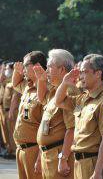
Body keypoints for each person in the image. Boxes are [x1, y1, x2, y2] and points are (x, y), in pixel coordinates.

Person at [54, 54, 103, 179]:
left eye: (85, 72)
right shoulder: (82, 99)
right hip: (79, 162)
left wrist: (97, 172)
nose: (81, 76)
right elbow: (59, 101)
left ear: (98, 74)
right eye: (80, 72)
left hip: (93, 163)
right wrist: (65, 83)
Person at [33, 49, 75, 178]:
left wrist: (63, 159)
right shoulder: (55, 92)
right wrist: (40, 157)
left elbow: (71, 129)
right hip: (48, 155)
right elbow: (42, 99)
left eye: (50, 67)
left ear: (62, 69)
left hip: (58, 155)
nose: (47, 71)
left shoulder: (69, 92)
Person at [12, 51, 47, 179]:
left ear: (36, 66)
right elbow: (15, 84)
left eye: (26, 65)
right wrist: (17, 71)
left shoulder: (45, 91)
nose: (23, 69)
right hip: (21, 149)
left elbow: (45, 127)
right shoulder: (28, 87)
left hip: (33, 150)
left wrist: (40, 156)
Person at [0, 62, 20, 159]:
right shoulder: (8, 80)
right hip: (4, 110)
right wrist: (2, 70)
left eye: (7, 69)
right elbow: (1, 80)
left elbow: (15, 98)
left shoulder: (15, 81)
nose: (6, 71)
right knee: (6, 132)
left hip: (12, 110)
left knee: (12, 131)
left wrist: (11, 111)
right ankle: (9, 149)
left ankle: (14, 150)